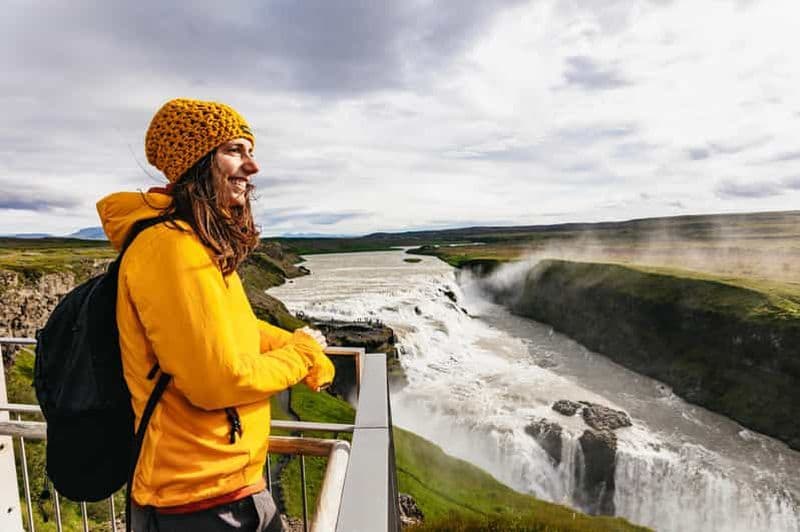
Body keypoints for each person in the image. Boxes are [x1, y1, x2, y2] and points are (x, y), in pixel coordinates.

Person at [97, 98, 334, 531]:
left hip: (226, 486)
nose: (253, 166)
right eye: (235, 150)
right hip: (198, 501)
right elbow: (216, 380)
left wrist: (301, 345)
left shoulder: (192, 242)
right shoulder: (171, 249)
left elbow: (237, 329)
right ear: (197, 161)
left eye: (250, 151)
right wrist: (300, 354)